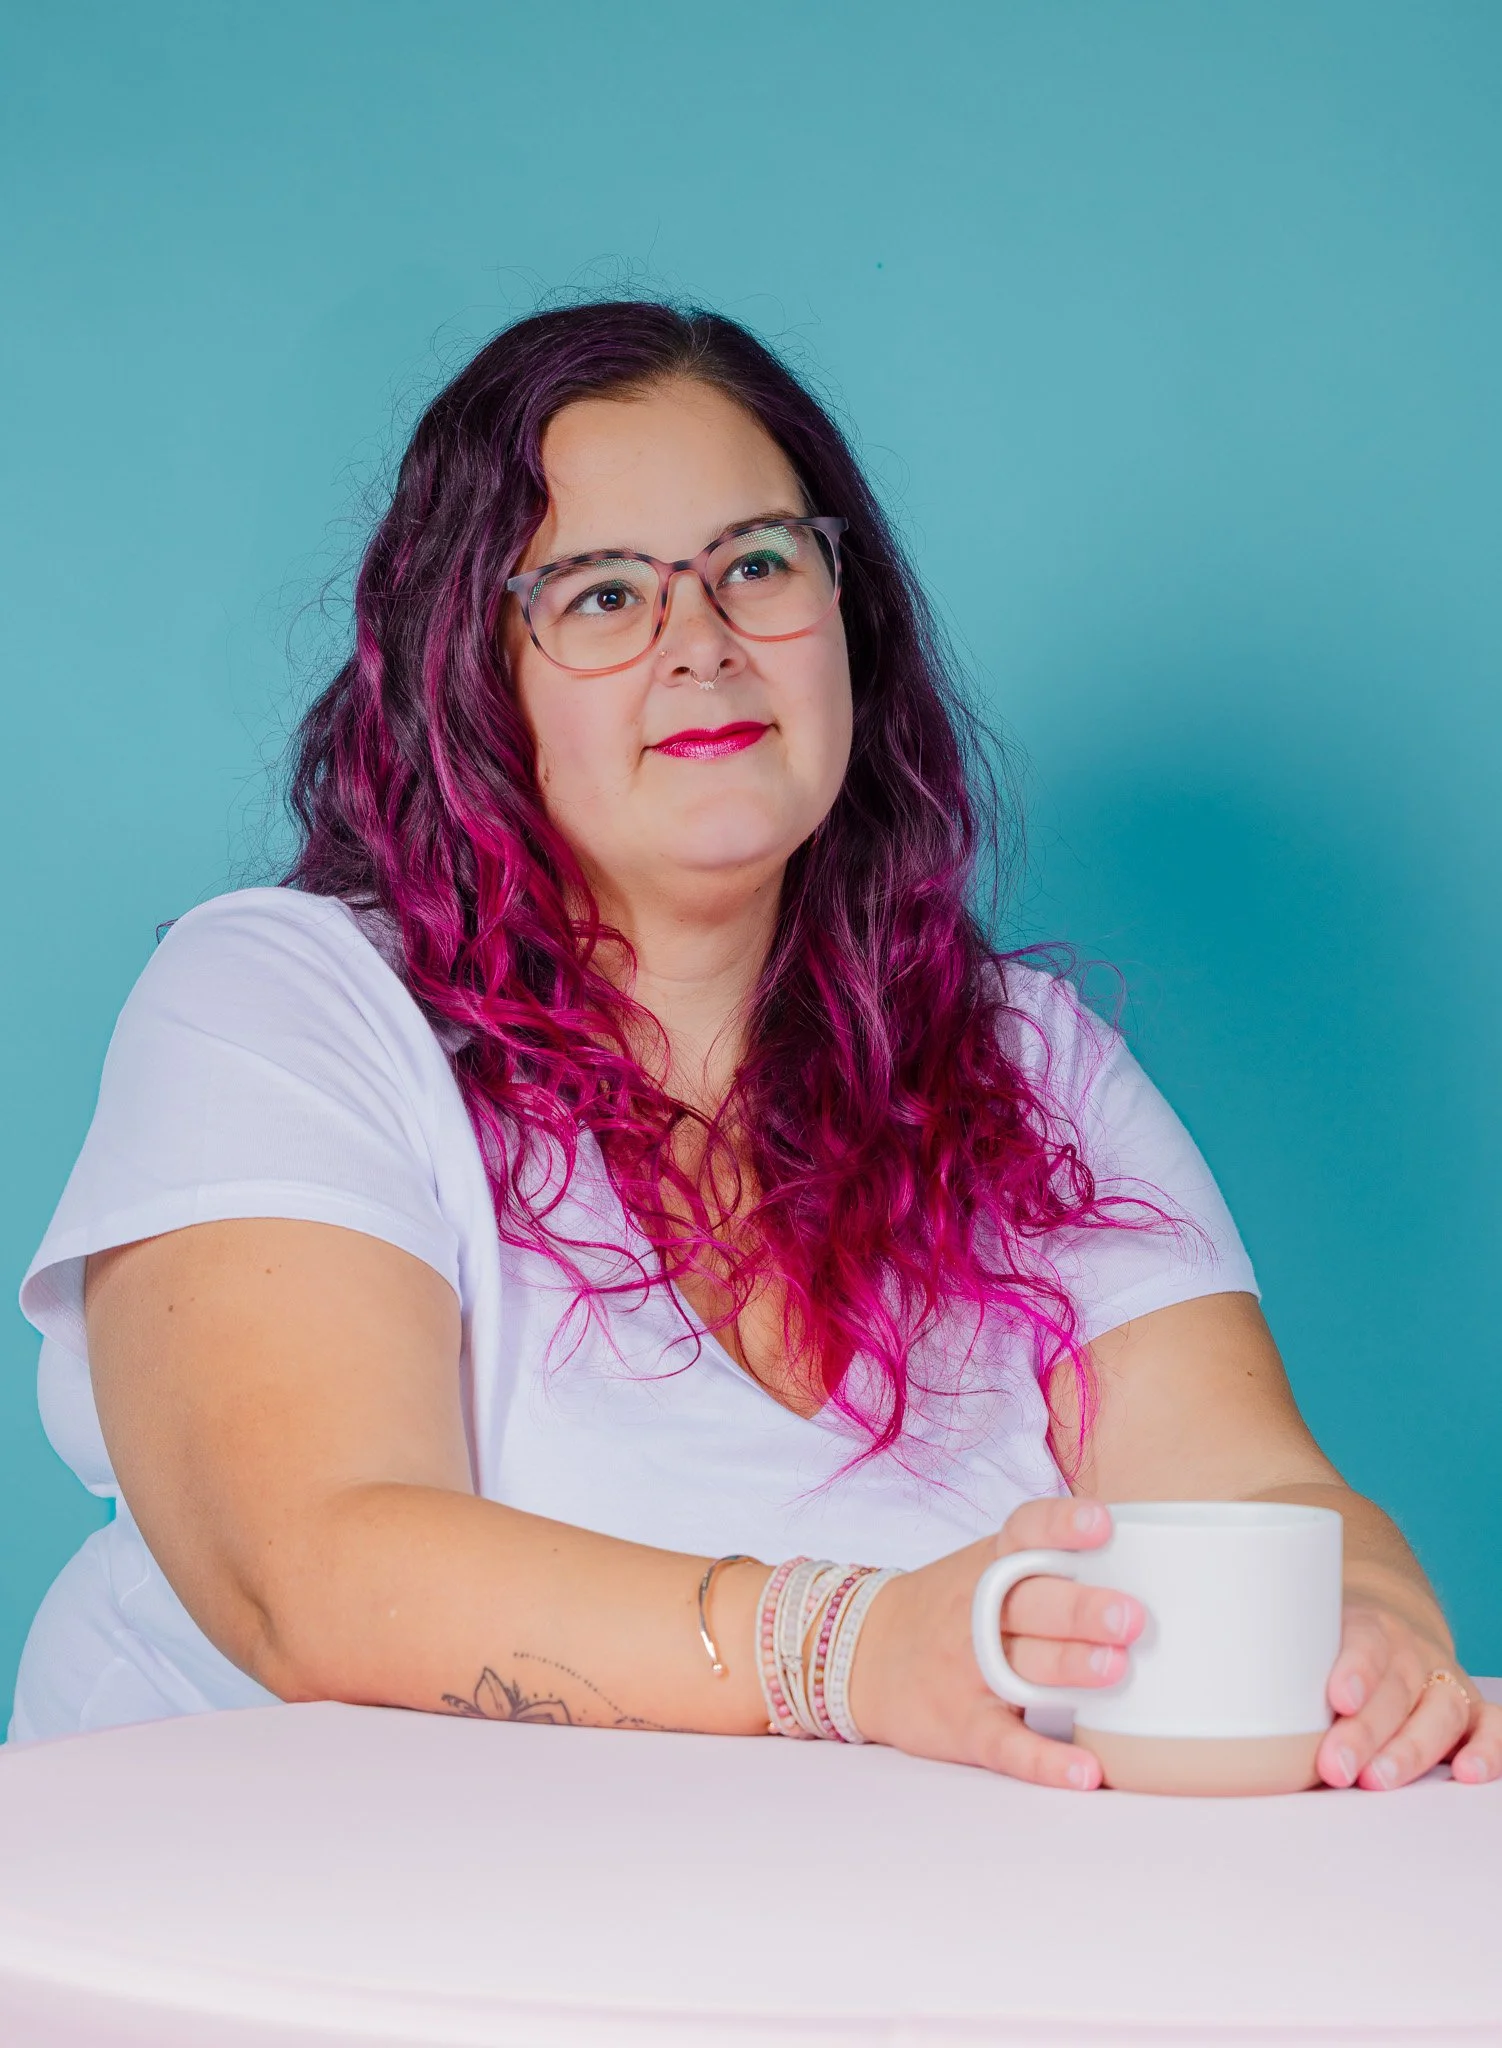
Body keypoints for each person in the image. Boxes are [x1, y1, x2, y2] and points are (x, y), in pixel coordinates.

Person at [12, 301, 1497, 1792]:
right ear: (471, 678)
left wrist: (1367, 1643)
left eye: (759, 566)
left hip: (814, 1965)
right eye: (600, 596)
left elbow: (1247, 1485)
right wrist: (852, 1647)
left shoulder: (1025, 1056)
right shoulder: (283, 998)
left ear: (844, 623)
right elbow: (314, 1572)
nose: (704, 643)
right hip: (276, 1955)